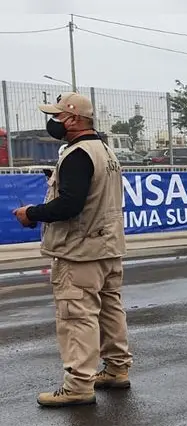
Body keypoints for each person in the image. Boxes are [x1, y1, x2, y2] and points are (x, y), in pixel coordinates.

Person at [12, 92, 133, 407]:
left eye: (58, 117)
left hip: (80, 252)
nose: (53, 123)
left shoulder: (78, 154)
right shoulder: (105, 150)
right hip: (107, 247)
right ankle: (117, 369)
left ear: (75, 119)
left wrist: (32, 213)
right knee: (109, 310)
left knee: (76, 316)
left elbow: (70, 205)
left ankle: (79, 384)